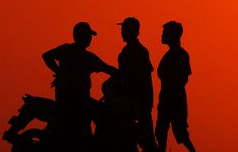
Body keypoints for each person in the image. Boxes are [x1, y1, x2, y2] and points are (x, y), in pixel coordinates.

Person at [42, 21, 117, 151]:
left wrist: (58, 72)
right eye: (88, 36)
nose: (90, 39)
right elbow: (108, 69)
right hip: (78, 102)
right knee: (97, 117)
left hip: (65, 99)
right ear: (82, 37)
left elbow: (46, 56)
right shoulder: (87, 57)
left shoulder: (65, 50)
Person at [155, 21, 196, 152]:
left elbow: (183, 78)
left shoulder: (181, 55)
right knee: (161, 133)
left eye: (165, 33)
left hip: (175, 100)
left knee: (180, 133)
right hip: (167, 99)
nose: (162, 35)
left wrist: (172, 92)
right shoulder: (171, 54)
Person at [117, 17, 157, 152]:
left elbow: (145, 78)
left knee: (145, 137)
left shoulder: (135, 52)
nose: (122, 32)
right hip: (135, 99)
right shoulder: (135, 51)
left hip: (136, 100)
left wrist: (147, 102)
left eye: (124, 30)